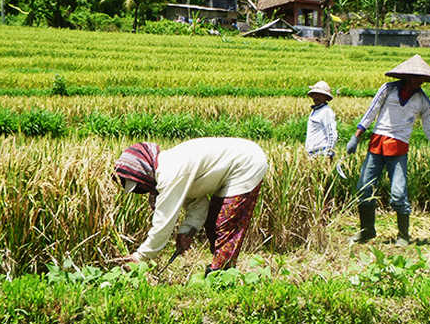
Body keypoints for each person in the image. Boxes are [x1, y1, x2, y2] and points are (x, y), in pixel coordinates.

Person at [345, 55, 430, 245]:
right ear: (406, 76)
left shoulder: (423, 102)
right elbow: (371, 112)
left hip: (398, 150)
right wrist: (356, 137)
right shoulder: (388, 89)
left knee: (398, 194)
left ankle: (403, 235)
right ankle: (367, 231)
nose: (418, 81)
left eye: (421, 78)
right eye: (415, 77)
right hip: (377, 145)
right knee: (364, 189)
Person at [114, 137, 268, 272]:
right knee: (213, 222)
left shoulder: (169, 172)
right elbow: (197, 203)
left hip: (246, 164)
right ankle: (222, 271)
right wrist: (187, 231)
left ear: (143, 172)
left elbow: (164, 223)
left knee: (225, 224)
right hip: (237, 166)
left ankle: (221, 275)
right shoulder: (171, 169)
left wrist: (140, 256)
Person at [304, 80, 338, 157]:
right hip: (313, 154)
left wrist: (328, 153)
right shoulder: (315, 111)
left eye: (320, 95)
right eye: (315, 94)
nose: (316, 97)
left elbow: (332, 134)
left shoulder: (326, 112)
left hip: (321, 153)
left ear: (326, 97)